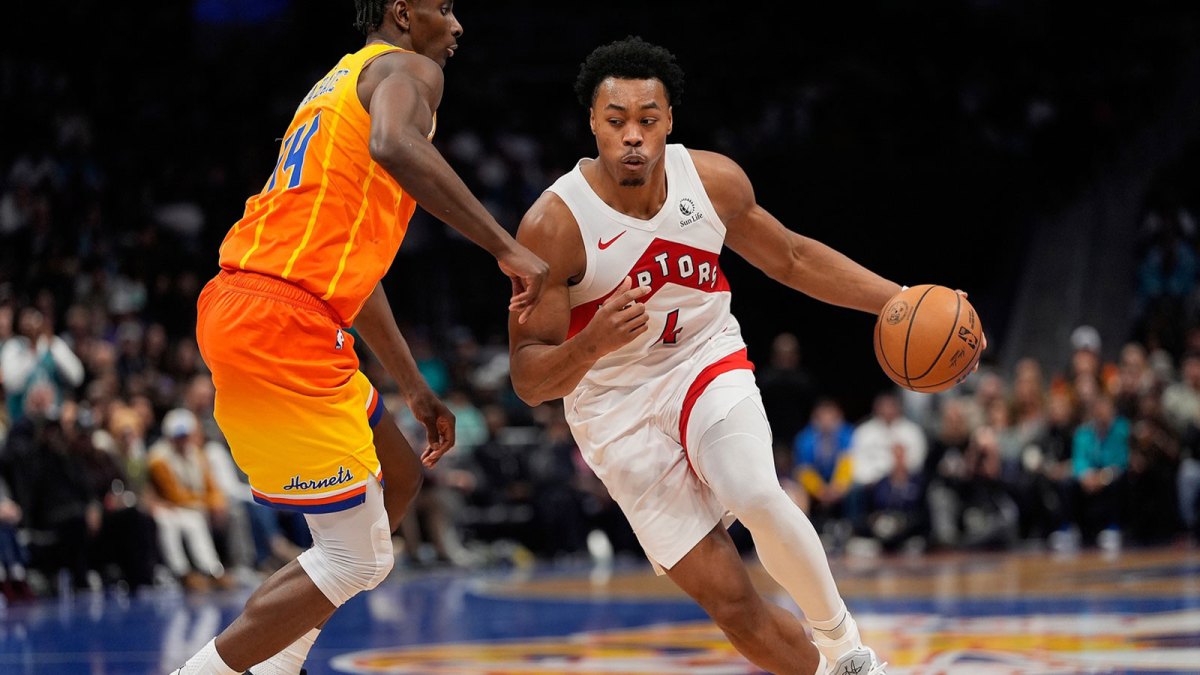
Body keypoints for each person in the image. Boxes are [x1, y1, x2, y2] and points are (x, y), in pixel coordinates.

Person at [508, 36, 983, 675]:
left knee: (756, 490)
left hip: (703, 358)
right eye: (616, 121)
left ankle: (848, 652)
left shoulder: (712, 181)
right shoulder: (554, 224)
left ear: (668, 121)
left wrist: (897, 301)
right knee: (734, 604)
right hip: (612, 404)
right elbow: (529, 381)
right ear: (592, 122)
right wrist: (591, 343)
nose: (632, 137)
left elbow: (791, 257)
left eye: (647, 121)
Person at [173, 1, 548, 673]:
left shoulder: (338, 84)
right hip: (280, 318)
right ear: (403, 13)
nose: (458, 25)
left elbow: (359, 272)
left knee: (399, 478)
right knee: (360, 555)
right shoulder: (407, 69)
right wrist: (506, 247)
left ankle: (277, 664)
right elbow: (396, 146)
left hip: (262, 304)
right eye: (445, 7)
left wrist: (411, 384)